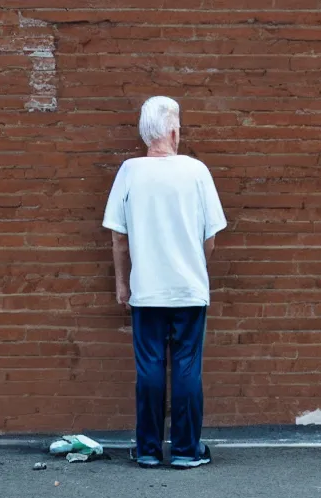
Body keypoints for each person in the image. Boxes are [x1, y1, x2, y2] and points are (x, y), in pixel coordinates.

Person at [102, 96, 227, 469]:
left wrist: (122, 284)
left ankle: (148, 450)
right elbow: (211, 236)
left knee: (150, 368)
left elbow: (118, 238)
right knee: (188, 366)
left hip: (148, 290)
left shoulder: (129, 172)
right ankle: (187, 451)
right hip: (189, 289)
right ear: (173, 130)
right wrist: (195, 265)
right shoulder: (196, 171)